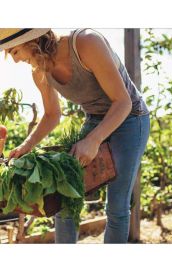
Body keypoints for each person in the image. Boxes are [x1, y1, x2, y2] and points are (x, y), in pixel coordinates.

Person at [0, 28, 150, 243]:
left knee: (116, 205)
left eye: (14, 51)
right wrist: (26, 145)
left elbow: (123, 102)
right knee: (64, 195)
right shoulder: (39, 71)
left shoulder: (86, 43)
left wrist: (93, 140)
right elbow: (52, 115)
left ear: (32, 40)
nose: (15, 61)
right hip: (95, 119)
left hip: (131, 118)